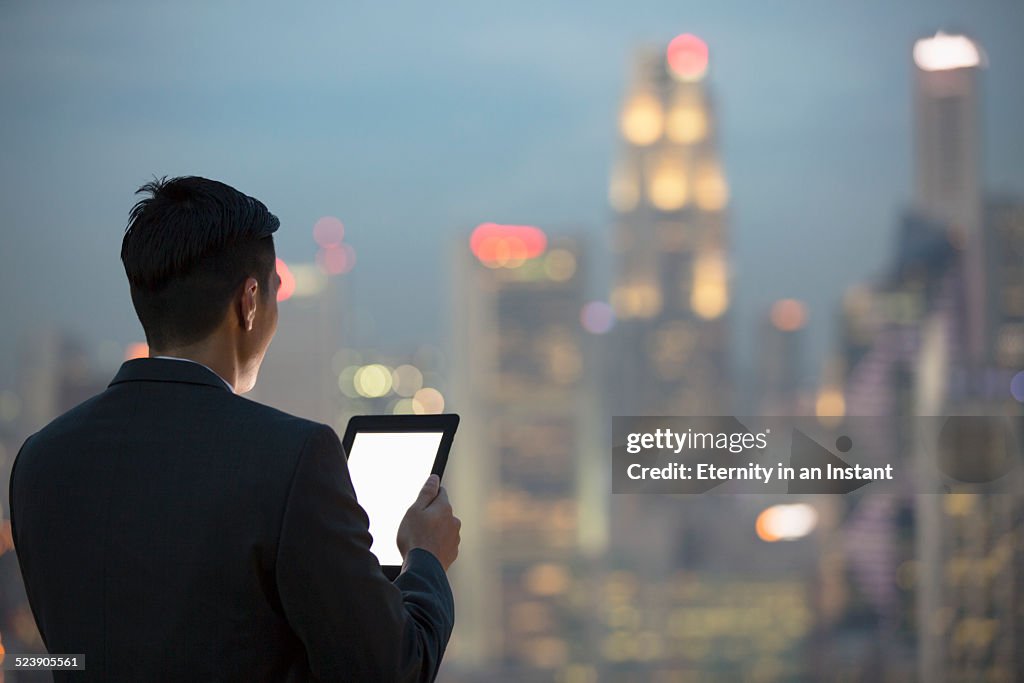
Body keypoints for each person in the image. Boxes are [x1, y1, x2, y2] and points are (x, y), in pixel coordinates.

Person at [8, 176, 460, 682]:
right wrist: (426, 558)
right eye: (273, 296)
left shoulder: (39, 460)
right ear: (249, 302)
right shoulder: (292, 457)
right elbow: (394, 669)